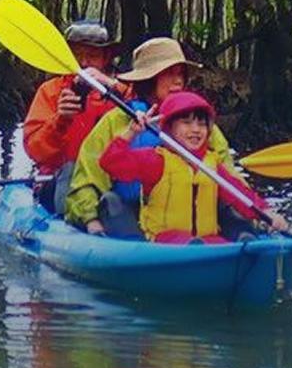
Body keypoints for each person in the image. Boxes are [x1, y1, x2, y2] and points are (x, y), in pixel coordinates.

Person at [64, 37, 232, 235]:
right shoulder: (117, 121)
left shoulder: (199, 123)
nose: (178, 80)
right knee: (111, 202)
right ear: (148, 79)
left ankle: (245, 235)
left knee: (228, 205)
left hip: (187, 215)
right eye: (168, 73)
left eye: (180, 73)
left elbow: (228, 173)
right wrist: (90, 219)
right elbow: (88, 177)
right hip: (131, 214)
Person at [97, 90, 288, 242]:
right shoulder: (155, 160)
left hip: (206, 239)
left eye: (201, 124)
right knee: (186, 242)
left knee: (222, 243)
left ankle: (241, 250)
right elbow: (110, 163)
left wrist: (266, 213)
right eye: (186, 123)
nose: (196, 130)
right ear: (169, 128)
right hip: (165, 240)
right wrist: (131, 133)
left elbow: (238, 193)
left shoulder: (211, 164)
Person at [21, 19, 118, 211]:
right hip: (59, 178)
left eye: (92, 56)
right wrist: (59, 121)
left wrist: (113, 87)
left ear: (105, 58)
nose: (84, 63)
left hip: (109, 178)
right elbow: (36, 151)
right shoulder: (50, 91)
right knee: (70, 170)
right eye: (76, 55)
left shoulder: (120, 91)